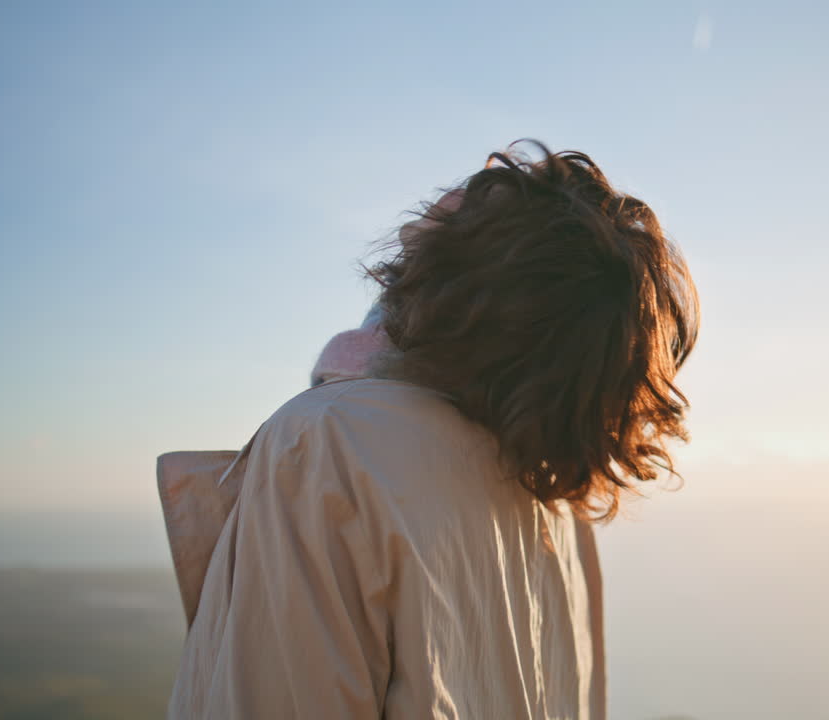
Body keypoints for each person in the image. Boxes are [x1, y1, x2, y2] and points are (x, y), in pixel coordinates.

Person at [162, 140, 699, 719]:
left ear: (463, 281)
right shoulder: (553, 498)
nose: (409, 233)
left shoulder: (329, 444)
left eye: (435, 225)